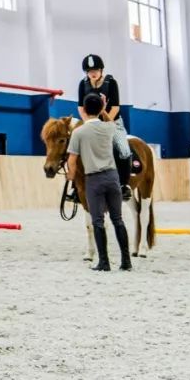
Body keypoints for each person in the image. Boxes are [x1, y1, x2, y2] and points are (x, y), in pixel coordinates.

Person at [68, 92, 134, 271]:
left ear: (84, 110)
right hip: (113, 177)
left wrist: (71, 177)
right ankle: (126, 261)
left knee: (97, 221)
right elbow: (111, 122)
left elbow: (72, 160)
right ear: (99, 109)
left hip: (94, 180)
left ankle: (104, 262)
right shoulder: (109, 128)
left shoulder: (78, 132)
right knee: (118, 220)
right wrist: (104, 110)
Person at [77, 53, 132, 199]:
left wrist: (105, 123)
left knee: (124, 150)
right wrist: (88, 123)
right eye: (89, 71)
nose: (92, 73)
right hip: (91, 123)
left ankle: (124, 185)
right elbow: (81, 108)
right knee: (76, 151)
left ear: (101, 70)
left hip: (112, 122)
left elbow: (115, 107)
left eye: (95, 70)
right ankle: (75, 188)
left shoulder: (111, 83)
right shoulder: (83, 84)